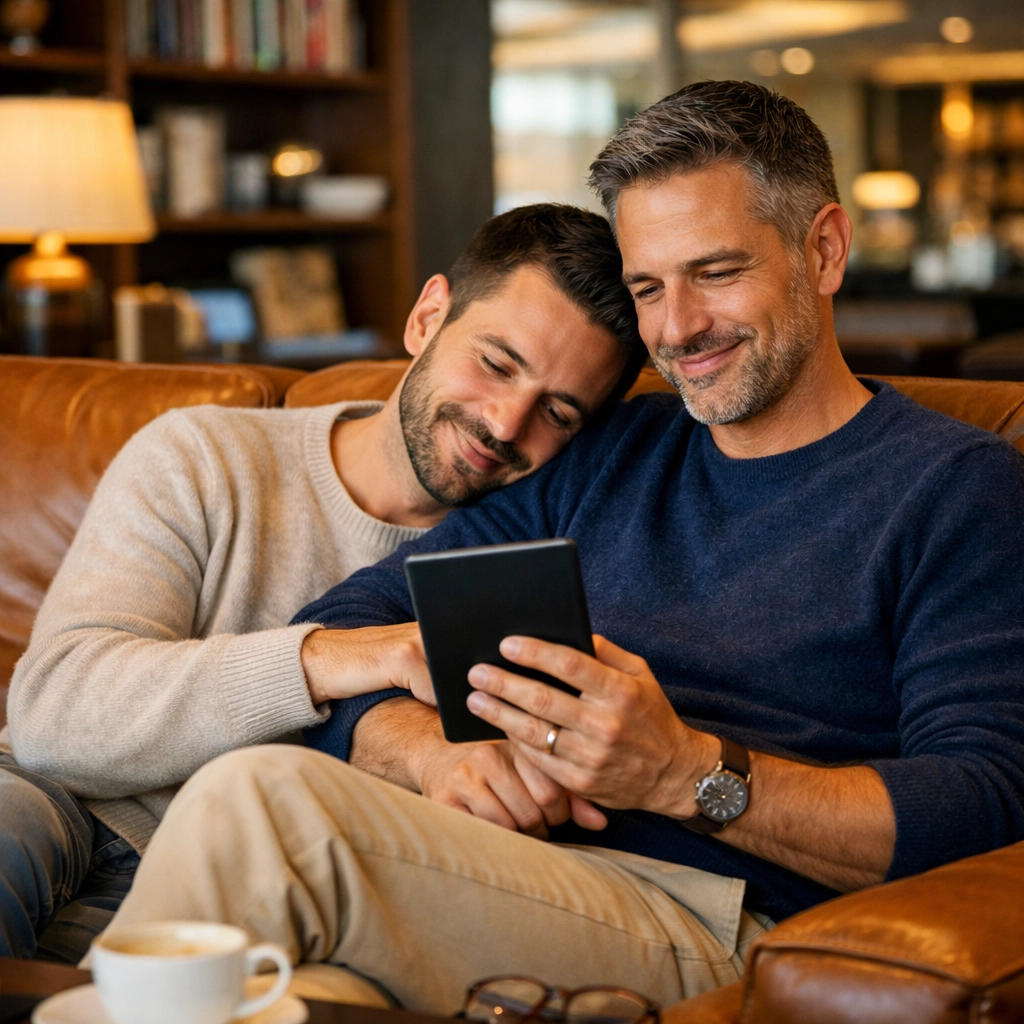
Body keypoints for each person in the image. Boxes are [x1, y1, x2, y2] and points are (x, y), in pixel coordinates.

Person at [104, 81, 1024, 1013]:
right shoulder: (611, 451)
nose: (677, 328)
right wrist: (429, 754)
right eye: (648, 288)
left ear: (823, 249)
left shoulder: (957, 490)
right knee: (298, 995)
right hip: (509, 872)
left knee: (256, 801)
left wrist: (686, 775)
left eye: (715, 272)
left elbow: (987, 803)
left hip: (727, 913)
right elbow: (351, 628)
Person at [0, 203, 647, 962]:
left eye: (558, 412)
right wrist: (336, 657)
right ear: (427, 317)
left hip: (259, 871)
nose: (506, 423)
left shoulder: (548, 558)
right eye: (497, 364)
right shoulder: (203, 455)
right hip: (56, 804)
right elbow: (52, 720)